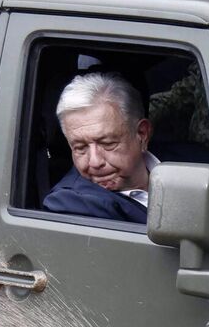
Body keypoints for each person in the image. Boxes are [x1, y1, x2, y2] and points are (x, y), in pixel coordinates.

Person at [43, 73, 158, 223]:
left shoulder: (191, 160)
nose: (95, 162)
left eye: (108, 143)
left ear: (142, 134)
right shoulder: (72, 204)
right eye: (80, 147)